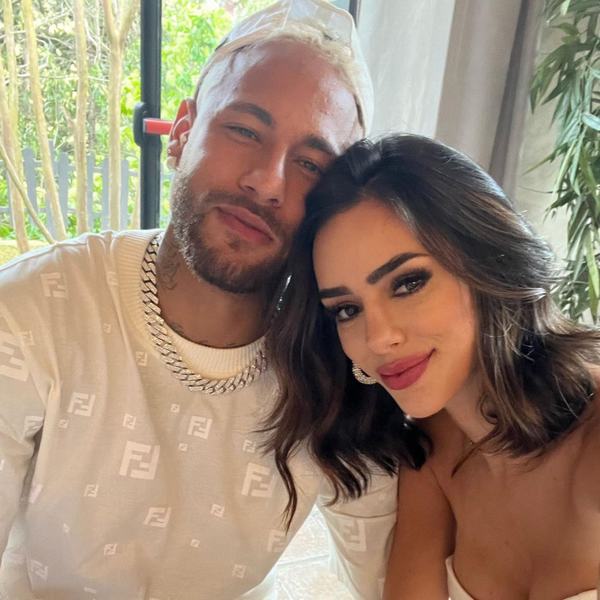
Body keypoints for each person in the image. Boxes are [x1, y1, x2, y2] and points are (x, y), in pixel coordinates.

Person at [0, 2, 399, 598]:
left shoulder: (337, 366)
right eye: (244, 131)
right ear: (183, 132)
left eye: (310, 163)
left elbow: (392, 573)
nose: (267, 181)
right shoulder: (32, 314)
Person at [269, 133, 600, 599]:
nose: (378, 338)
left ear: (486, 262)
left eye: (408, 283)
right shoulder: (435, 450)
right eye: (346, 309)